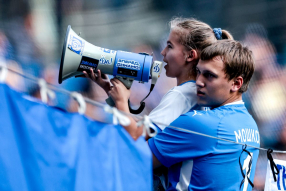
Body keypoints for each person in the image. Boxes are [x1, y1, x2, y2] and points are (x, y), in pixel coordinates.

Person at [109, 40, 260, 190]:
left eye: (209, 75)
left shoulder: (200, 124)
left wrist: (121, 102)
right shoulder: (250, 125)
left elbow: (134, 158)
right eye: (199, 72)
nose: (199, 81)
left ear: (236, 83)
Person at [83, 17, 233, 132]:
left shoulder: (181, 96)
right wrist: (113, 94)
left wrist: (122, 102)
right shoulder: (199, 93)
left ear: (189, 56)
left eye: (170, 47)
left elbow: (136, 137)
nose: (163, 53)